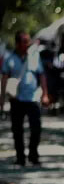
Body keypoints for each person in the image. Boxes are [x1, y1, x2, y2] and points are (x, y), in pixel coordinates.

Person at [0, 31, 49, 166]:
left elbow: (42, 75)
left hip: (33, 98)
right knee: (17, 130)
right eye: (25, 41)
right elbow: (4, 78)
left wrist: (45, 94)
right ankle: (20, 157)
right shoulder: (9, 58)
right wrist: (2, 98)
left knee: (36, 128)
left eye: (28, 41)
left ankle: (33, 155)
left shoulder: (34, 56)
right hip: (16, 99)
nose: (28, 44)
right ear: (17, 43)